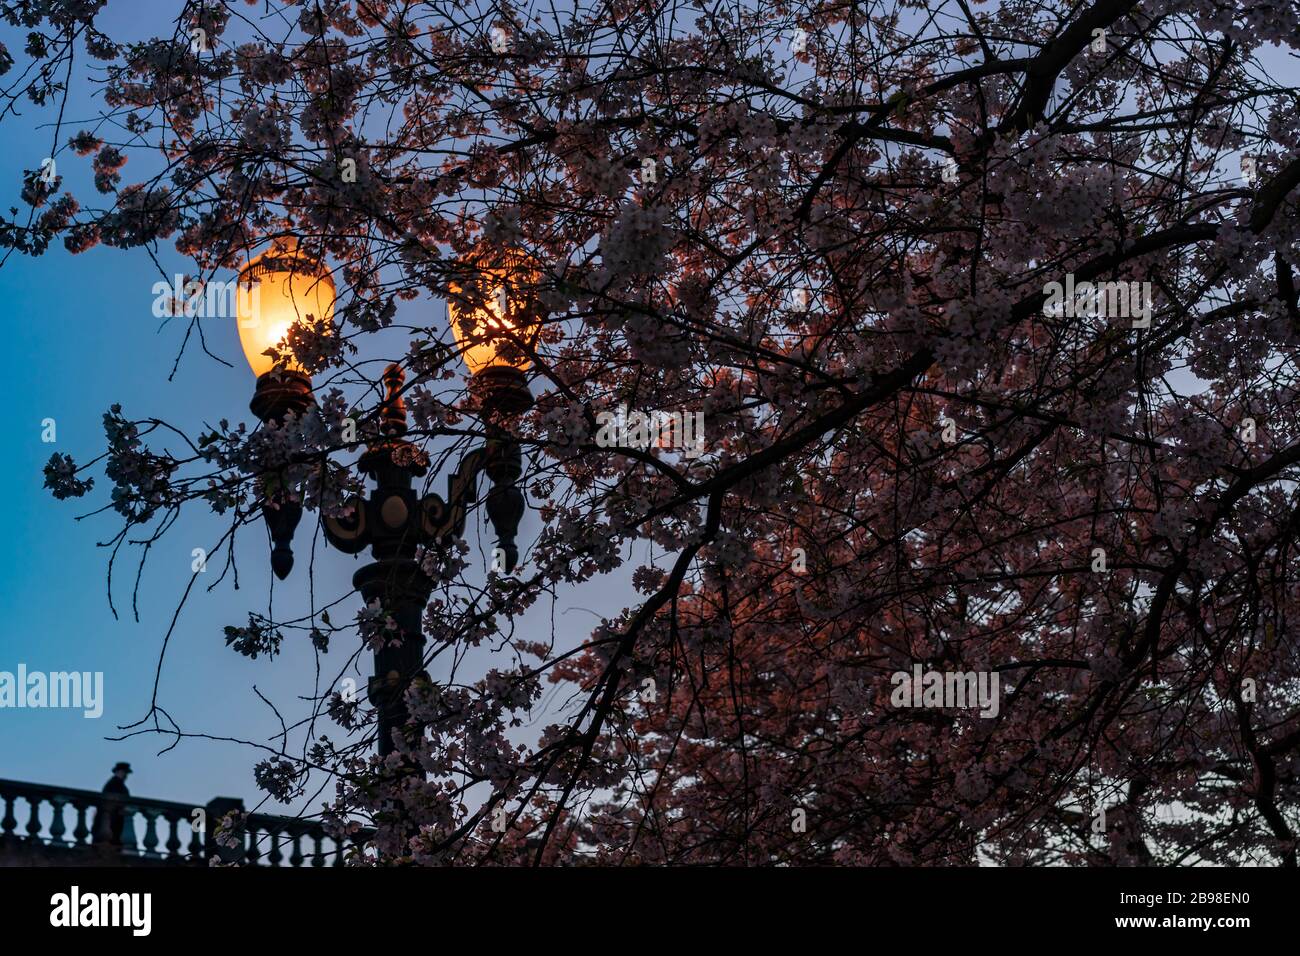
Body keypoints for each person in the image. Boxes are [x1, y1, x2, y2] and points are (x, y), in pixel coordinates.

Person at [91, 762, 132, 847]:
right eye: (124, 772)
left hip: (113, 821)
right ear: (118, 772)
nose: (126, 776)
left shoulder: (116, 784)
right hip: (111, 822)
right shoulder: (114, 784)